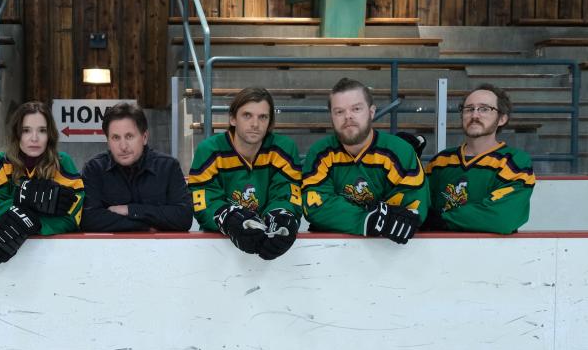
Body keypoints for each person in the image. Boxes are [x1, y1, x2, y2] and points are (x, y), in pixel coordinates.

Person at [301, 77, 428, 244]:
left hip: (391, 255)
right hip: (331, 254)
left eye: (356, 109)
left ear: (371, 112)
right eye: (339, 111)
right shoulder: (320, 153)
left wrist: (361, 217)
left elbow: (413, 207)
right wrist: (368, 219)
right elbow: (315, 207)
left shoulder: (400, 151)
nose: (348, 116)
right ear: (331, 116)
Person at [187, 87, 301, 260]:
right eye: (247, 115)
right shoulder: (209, 150)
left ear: (270, 122)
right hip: (217, 250)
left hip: (269, 245)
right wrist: (231, 218)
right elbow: (203, 200)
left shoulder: (284, 149)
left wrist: (281, 218)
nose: (255, 124)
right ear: (233, 118)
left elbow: (286, 193)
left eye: (263, 117)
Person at [0, 101, 84, 263]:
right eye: (26, 130)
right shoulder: (1, 162)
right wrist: (24, 198)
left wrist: (31, 223)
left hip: (55, 258)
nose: (34, 138)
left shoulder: (63, 163)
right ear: (17, 133)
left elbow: (72, 216)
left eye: (42, 131)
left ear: (50, 135)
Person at [425, 84, 535, 234]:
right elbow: (418, 205)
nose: (475, 115)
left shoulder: (513, 162)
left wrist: (442, 220)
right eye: (469, 109)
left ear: (502, 119)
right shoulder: (440, 162)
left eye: (484, 109)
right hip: (437, 254)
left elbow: (502, 218)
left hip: (490, 254)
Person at [81, 103, 192, 232]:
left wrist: (130, 210)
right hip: (108, 250)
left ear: (144, 137)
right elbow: (88, 219)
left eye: (129, 136)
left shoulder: (168, 167)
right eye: (116, 138)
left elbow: (183, 217)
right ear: (108, 141)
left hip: (161, 251)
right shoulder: (94, 169)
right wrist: (145, 226)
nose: (123, 146)